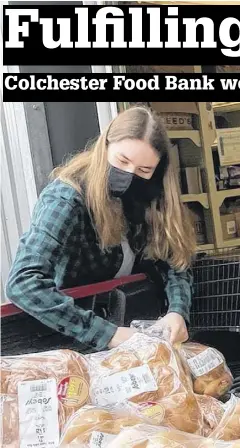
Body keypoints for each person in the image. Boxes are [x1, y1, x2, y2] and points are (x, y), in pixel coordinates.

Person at [5, 106, 197, 350]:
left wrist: (177, 312)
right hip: (68, 343)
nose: (130, 174)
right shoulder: (66, 199)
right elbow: (23, 282)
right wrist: (107, 334)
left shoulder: (150, 199)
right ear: (104, 147)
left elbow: (176, 262)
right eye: (122, 161)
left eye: (143, 170)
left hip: (133, 331)